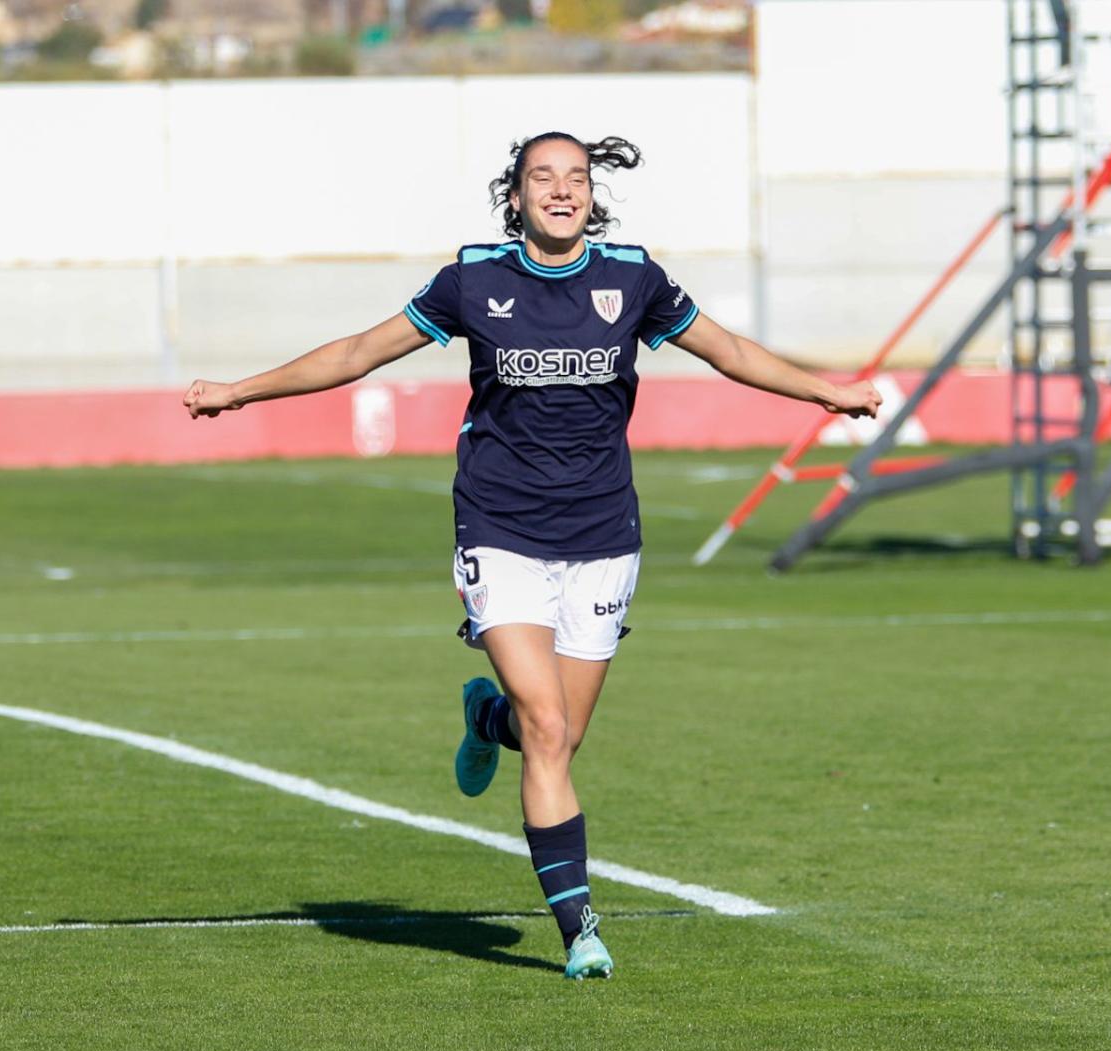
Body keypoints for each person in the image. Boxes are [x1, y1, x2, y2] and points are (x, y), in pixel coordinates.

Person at [183, 132, 880, 979]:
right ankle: (580, 927)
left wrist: (828, 391)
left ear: (593, 195)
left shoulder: (635, 280)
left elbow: (729, 352)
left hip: (601, 536)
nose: (561, 190)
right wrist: (238, 392)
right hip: (499, 526)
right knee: (547, 729)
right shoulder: (473, 280)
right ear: (514, 197)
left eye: (576, 179)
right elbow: (359, 353)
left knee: (560, 735)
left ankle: (486, 719)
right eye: (542, 178)